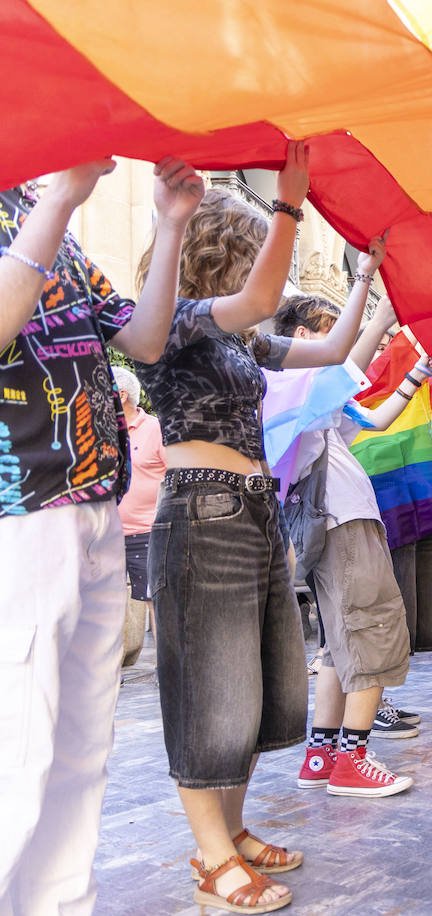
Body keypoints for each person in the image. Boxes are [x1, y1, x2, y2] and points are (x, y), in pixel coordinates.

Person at [134, 142, 380, 912]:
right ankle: (211, 861)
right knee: (210, 687)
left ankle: (232, 834)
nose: (263, 276)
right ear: (224, 255)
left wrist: (374, 283)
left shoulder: (238, 339)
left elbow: (336, 351)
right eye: (249, 253)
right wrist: (289, 207)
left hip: (249, 514)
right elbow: (256, 297)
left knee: (250, 687)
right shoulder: (172, 321)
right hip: (201, 512)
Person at [0, 157, 202, 914]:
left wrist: (170, 223)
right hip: (18, 517)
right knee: (16, 742)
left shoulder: (43, 208)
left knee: (80, 748)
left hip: (91, 507)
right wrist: (59, 198)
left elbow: (143, 341)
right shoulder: (46, 204)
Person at [275, 282, 432, 797]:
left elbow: (372, 419)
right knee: (370, 632)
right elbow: (345, 367)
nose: (342, 340)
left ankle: (322, 754)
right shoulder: (294, 386)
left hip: (345, 522)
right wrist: (384, 310)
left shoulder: (313, 402)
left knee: (339, 646)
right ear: (304, 337)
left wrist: (417, 375)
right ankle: (353, 758)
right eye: (333, 331)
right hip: (343, 524)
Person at [112, 364, 167, 617]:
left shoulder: (155, 429)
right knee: (104, 607)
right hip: (107, 534)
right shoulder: (101, 430)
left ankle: (162, 658)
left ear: (121, 395)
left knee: (156, 602)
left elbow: (175, 475)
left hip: (146, 533)